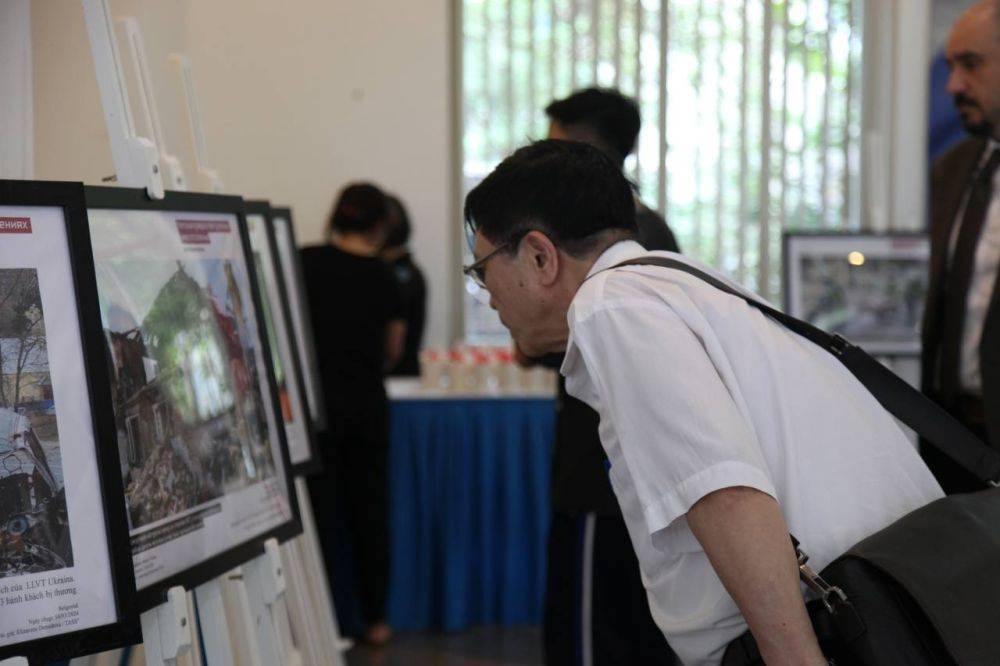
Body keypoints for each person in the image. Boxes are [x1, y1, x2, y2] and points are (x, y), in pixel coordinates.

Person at [463, 139, 943, 665]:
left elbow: (724, 492)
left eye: (481, 269)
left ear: (539, 255)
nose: (488, 295)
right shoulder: (684, 284)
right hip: (894, 598)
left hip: (839, 629)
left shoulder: (609, 306)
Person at [539, 87, 679, 665]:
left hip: (607, 475)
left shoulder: (609, 242)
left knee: (597, 631)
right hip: (621, 472)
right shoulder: (647, 229)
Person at [301, 182, 405, 646]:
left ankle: (324, 620)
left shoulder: (303, 261)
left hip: (313, 413)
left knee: (321, 519)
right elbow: (393, 350)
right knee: (370, 516)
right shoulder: (385, 277)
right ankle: (376, 621)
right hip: (366, 408)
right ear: (381, 225)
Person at [921, 0, 1000, 494]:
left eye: (970, 64)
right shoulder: (952, 169)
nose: (952, 85)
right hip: (952, 444)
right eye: (950, 67)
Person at [381, 194, 427, 377]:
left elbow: (394, 347)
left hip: (396, 379)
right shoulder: (411, 272)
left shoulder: (396, 276)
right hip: (407, 374)